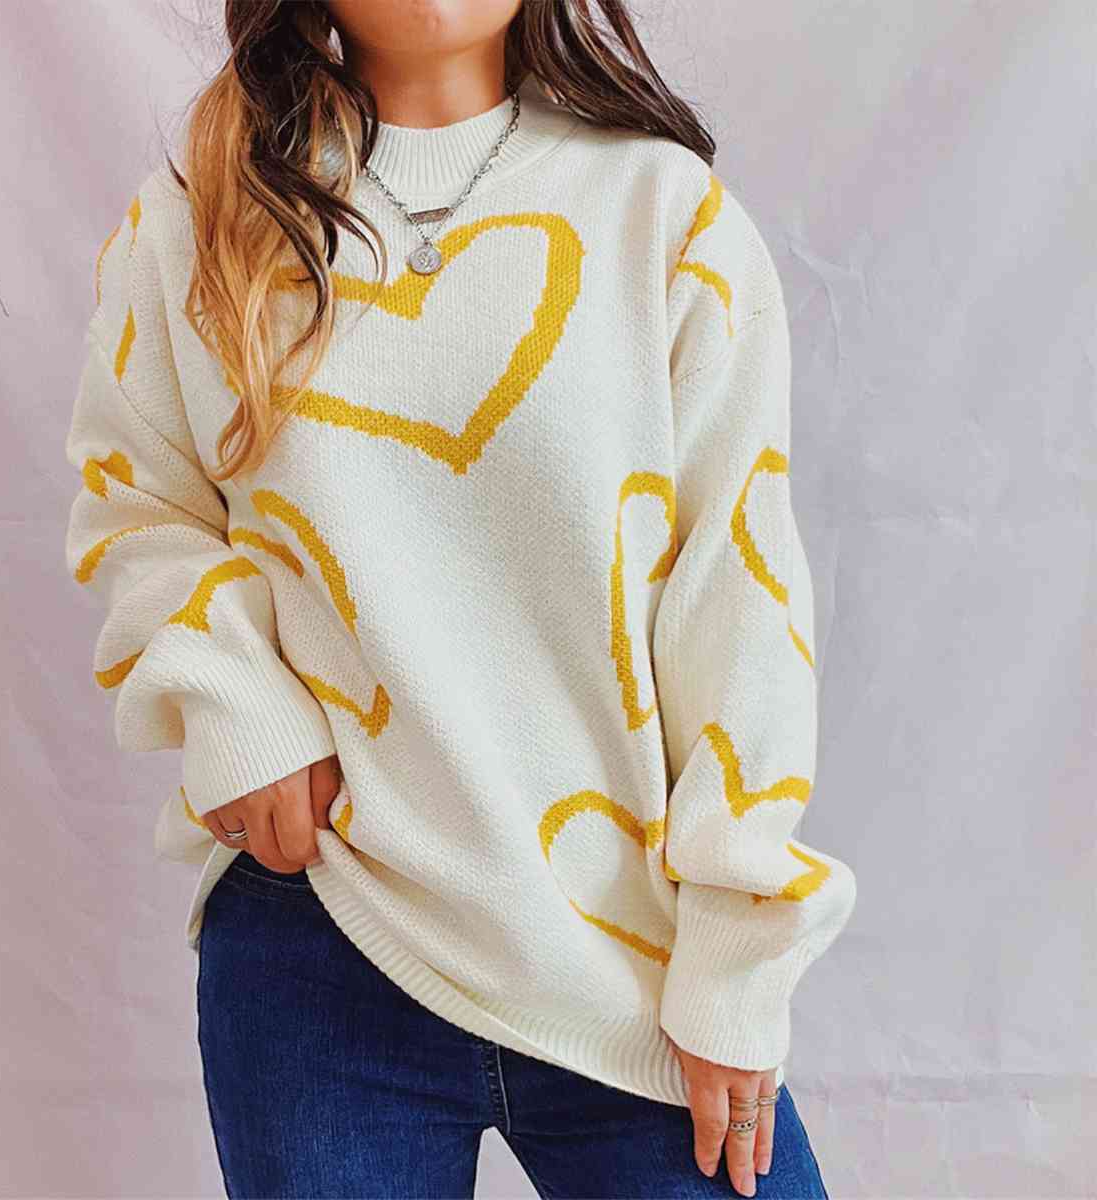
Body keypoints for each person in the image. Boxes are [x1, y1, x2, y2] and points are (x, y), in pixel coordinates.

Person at [62, 2, 858, 1196]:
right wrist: (239, 708)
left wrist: (737, 955)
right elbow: (137, 502)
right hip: (324, 935)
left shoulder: (663, 214)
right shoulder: (203, 213)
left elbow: (738, 593)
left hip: (631, 954)